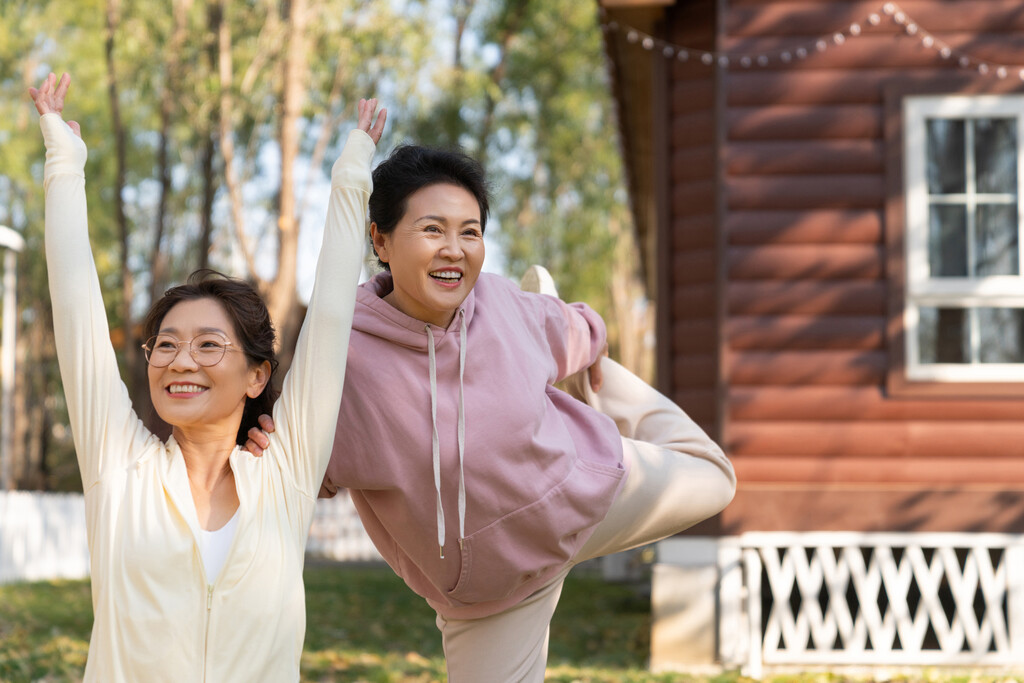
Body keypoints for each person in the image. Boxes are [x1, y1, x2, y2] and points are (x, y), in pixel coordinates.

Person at [248, 143, 736, 681]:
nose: (454, 249)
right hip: (490, 595)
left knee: (716, 477)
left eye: (471, 231)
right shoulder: (341, 364)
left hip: (583, 496)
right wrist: (262, 441)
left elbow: (583, 325)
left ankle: (589, 381)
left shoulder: (501, 305)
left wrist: (593, 347)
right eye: (432, 229)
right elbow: (296, 464)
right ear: (380, 240)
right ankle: (566, 368)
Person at [30, 71, 385, 681]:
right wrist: (65, 164)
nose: (180, 361)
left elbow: (330, 317)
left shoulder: (287, 474)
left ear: (256, 377)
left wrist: (351, 175)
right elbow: (76, 308)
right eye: (165, 344)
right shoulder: (118, 466)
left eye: (208, 345)